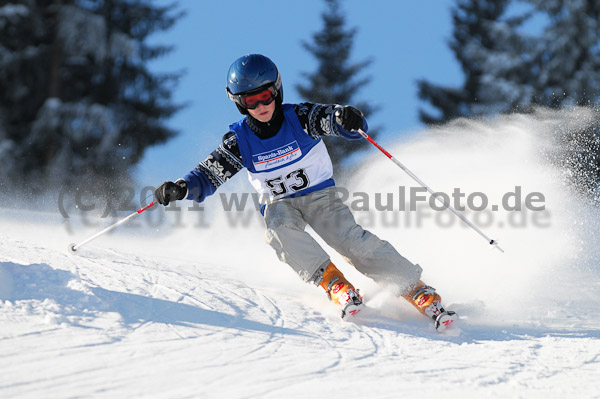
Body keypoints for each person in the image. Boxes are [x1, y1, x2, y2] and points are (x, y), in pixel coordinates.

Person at [154, 54, 457, 331]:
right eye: (250, 101)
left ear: (276, 90)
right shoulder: (240, 141)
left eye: (265, 96)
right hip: (280, 204)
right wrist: (181, 187)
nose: (260, 106)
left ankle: (415, 288)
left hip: (319, 197)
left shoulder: (299, 117)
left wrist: (346, 119)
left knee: (350, 241)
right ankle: (333, 282)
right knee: (278, 230)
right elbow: (209, 174)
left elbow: (334, 119)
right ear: (239, 103)